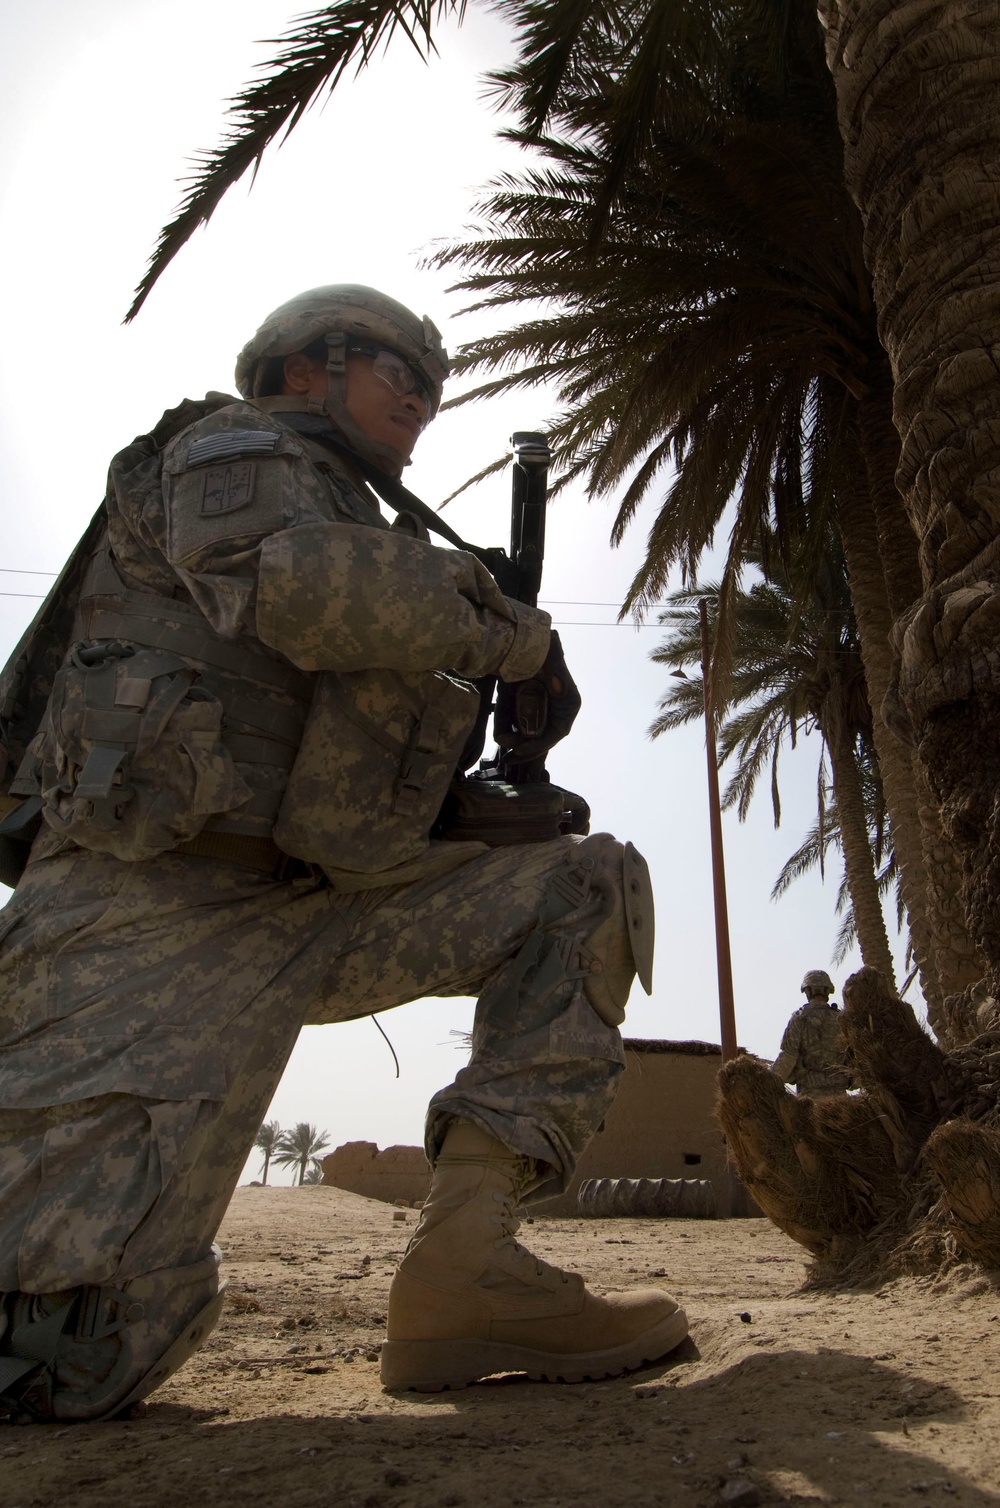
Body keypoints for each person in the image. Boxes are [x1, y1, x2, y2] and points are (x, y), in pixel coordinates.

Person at [0, 286, 687, 1422]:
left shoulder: (388, 542)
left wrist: (472, 810)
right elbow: (296, 589)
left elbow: (340, 765)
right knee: (64, 1344)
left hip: (323, 909)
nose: (420, 399)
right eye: (396, 369)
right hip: (147, 909)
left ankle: (466, 1270)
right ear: (303, 366)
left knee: (582, 881)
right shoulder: (228, 446)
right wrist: (515, 633)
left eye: (432, 385)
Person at [771, 969, 852, 1096]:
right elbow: (854, 1059)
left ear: (807, 991)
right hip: (840, 1097)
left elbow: (788, 1058)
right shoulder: (841, 1020)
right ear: (828, 990)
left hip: (810, 1099)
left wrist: (768, 1081)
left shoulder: (799, 1018)